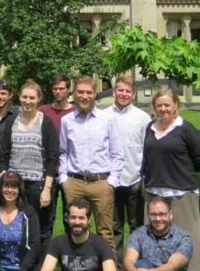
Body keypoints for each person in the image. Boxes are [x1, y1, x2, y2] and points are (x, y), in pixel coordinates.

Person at [59, 75, 122, 251]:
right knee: (76, 230)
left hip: (101, 183)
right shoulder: (67, 121)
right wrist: (64, 179)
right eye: (80, 92)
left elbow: (117, 153)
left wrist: (112, 181)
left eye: (89, 92)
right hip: (74, 183)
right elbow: (63, 152)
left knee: (105, 232)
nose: (84, 96)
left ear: (95, 94)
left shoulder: (107, 119)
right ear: (74, 94)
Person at [141, 87, 200, 271]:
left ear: (176, 105)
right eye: (159, 105)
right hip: (154, 195)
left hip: (181, 196)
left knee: (188, 242)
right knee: (152, 244)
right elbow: (147, 157)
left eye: (167, 105)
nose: (163, 109)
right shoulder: (149, 128)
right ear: (154, 107)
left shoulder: (186, 128)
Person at [0, 79, 58, 255]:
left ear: (38, 99)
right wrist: (5, 177)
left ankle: (42, 265)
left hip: (38, 185)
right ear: (19, 98)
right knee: (18, 225)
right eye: (24, 97)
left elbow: (52, 158)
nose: (27, 101)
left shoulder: (46, 123)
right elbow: (3, 153)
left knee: (41, 230)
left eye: (32, 97)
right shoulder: (11, 122)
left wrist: (47, 189)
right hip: (15, 185)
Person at [104, 75, 150, 265]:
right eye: (120, 90)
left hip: (134, 179)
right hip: (111, 181)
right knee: (114, 227)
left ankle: (138, 264)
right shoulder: (103, 115)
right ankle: (117, 265)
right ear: (114, 91)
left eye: (127, 91)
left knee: (137, 226)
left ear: (133, 94)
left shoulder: (143, 118)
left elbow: (148, 149)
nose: (123, 94)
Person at [0, 171, 40, 271]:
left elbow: (35, 244)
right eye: (6, 186)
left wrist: (23, 269)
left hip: (23, 268)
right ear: (1, 189)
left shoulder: (29, 213)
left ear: (19, 190)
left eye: (14, 187)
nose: (10, 190)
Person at [39, 74, 75, 232]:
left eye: (62, 88)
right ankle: (45, 254)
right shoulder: (43, 111)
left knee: (71, 214)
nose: (58, 91)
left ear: (68, 90)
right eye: (55, 88)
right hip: (48, 170)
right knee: (47, 216)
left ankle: (70, 252)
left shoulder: (75, 112)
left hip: (71, 170)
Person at [41, 198, 116, 271]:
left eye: (81, 218)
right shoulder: (57, 243)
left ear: (89, 221)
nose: (77, 222)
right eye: (73, 217)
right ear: (68, 219)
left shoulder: (102, 245)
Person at [123, 196, 193, 271]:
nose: (158, 219)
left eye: (162, 214)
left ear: (170, 215)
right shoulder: (138, 234)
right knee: (141, 264)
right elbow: (128, 261)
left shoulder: (183, 238)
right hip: (144, 268)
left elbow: (173, 265)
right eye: (153, 214)